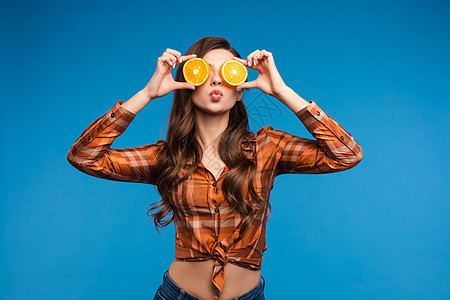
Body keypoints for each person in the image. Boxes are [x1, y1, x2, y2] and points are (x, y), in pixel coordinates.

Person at [67, 36, 363, 300]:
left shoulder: (267, 149)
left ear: (240, 91)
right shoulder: (167, 157)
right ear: (188, 84)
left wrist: (281, 91)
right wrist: (147, 94)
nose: (217, 80)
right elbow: (84, 157)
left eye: (228, 73)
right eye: (206, 71)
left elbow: (346, 155)